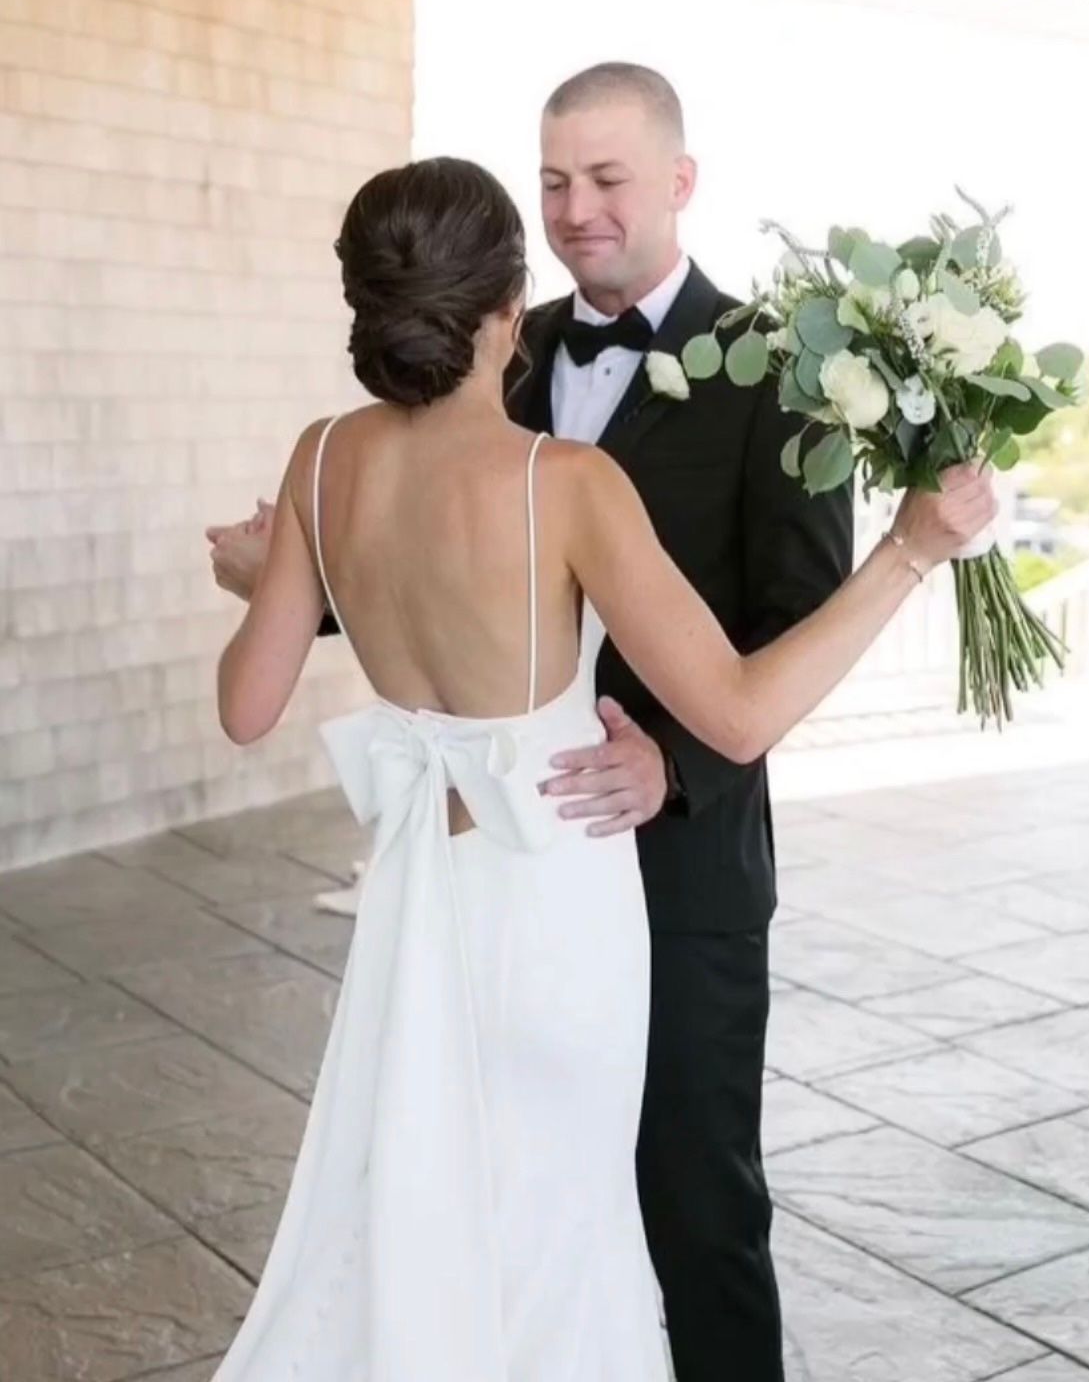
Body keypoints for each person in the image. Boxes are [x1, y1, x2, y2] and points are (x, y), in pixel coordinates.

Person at [207, 152, 993, 1381]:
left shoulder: (319, 458)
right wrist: (903, 551)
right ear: (508, 311)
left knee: (419, 1209)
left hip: (420, 900)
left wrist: (268, 585)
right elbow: (734, 715)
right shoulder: (562, 481)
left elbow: (247, 704)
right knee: (560, 1234)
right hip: (554, 907)